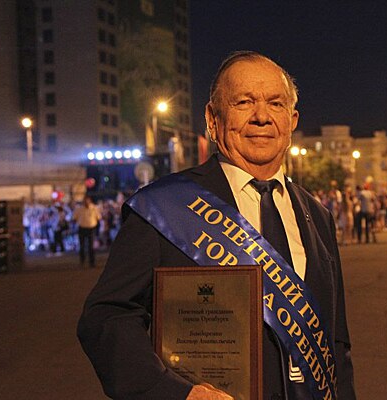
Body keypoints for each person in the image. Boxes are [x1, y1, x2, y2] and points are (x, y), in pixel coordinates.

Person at [77, 51, 356, 400]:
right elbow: (106, 317)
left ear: (292, 119)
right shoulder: (164, 206)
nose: (261, 117)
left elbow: (336, 342)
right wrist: (173, 392)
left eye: (275, 103)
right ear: (213, 118)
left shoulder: (317, 215)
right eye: (244, 102)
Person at [73, 196, 101, 267]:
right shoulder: (79, 209)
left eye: (87, 200)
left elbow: (98, 218)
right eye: (85, 201)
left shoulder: (94, 208)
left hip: (91, 228)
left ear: (90, 201)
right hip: (82, 228)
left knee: (91, 246)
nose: (86, 202)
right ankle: (82, 261)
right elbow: (74, 218)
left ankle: (92, 262)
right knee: (82, 246)